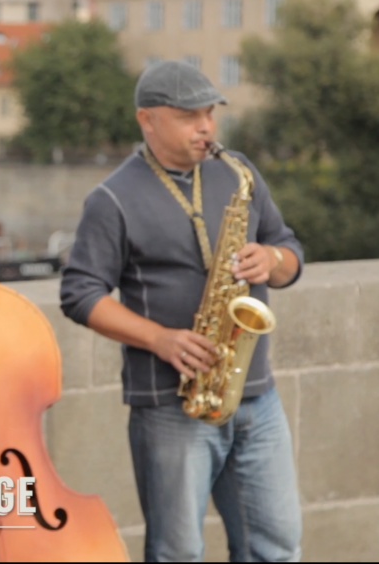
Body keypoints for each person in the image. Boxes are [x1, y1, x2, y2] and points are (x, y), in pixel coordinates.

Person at [59, 60, 304, 562]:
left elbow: (289, 249)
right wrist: (159, 338)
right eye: (190, 116)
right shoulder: (112, 198)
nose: (207, 127)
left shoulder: (237, 171)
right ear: (147, 119)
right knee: (178, 553)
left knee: (277, 547)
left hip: (256, 395)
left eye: (210, 113)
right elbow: (80, 293)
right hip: (172, 404)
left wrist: (273, 259)